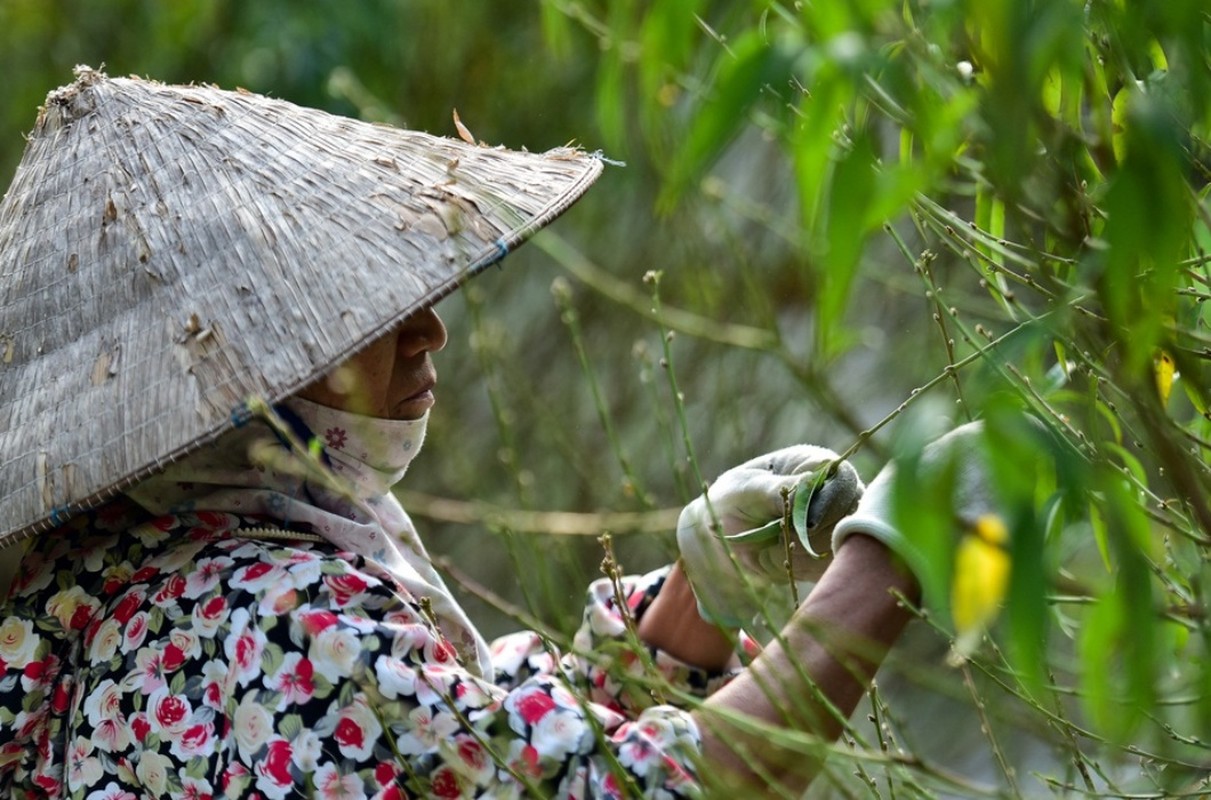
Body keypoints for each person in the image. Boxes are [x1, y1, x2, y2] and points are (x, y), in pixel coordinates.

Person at [0, 70, 969, 798]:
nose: (429, 329)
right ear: (227, 375)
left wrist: (693, 596)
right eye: (351, 311)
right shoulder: (262, 617)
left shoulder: (139, 568)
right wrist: (885, 563)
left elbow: (470, 753)